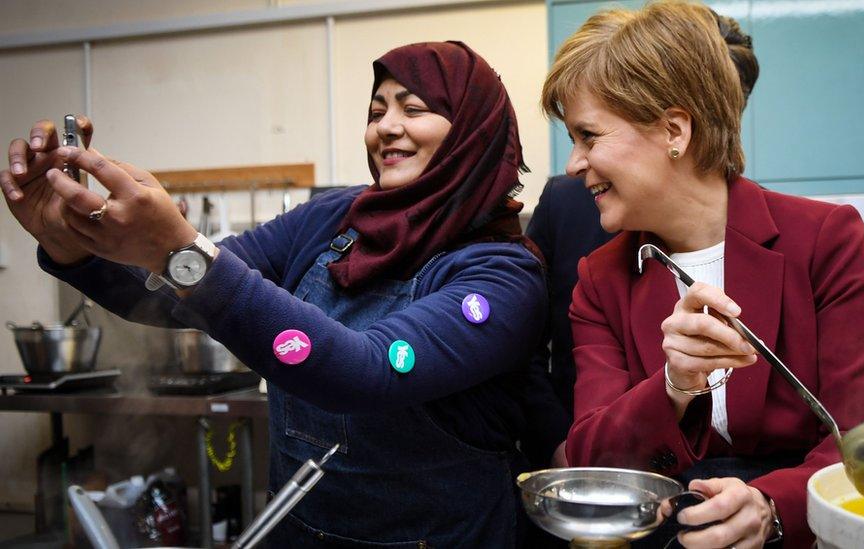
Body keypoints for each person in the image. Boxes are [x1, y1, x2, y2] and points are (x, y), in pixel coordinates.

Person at [2, 41, 548, 547]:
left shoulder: (500, 274)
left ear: (472, 131)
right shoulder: (336, 218)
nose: (386, 128)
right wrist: (66, 239)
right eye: (376, 112)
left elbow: (368, 370)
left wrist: (181, 249)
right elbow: (173, 295)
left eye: (414, 108)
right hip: (302, 532)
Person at [540, 2, 864, 547]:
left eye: (589, 136)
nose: (573, 164)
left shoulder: (825, 239)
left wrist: (773, 507)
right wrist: (672, 385)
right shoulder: (601, 279)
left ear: (674, 130)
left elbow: (862, 442)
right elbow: (591, 457)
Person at [523, 8, 759, 472]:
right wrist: (563, 449)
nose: (576, 161)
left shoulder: (800, 236)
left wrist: (769, 504)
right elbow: (524, 351)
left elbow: (844, 440)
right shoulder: (589, 248)